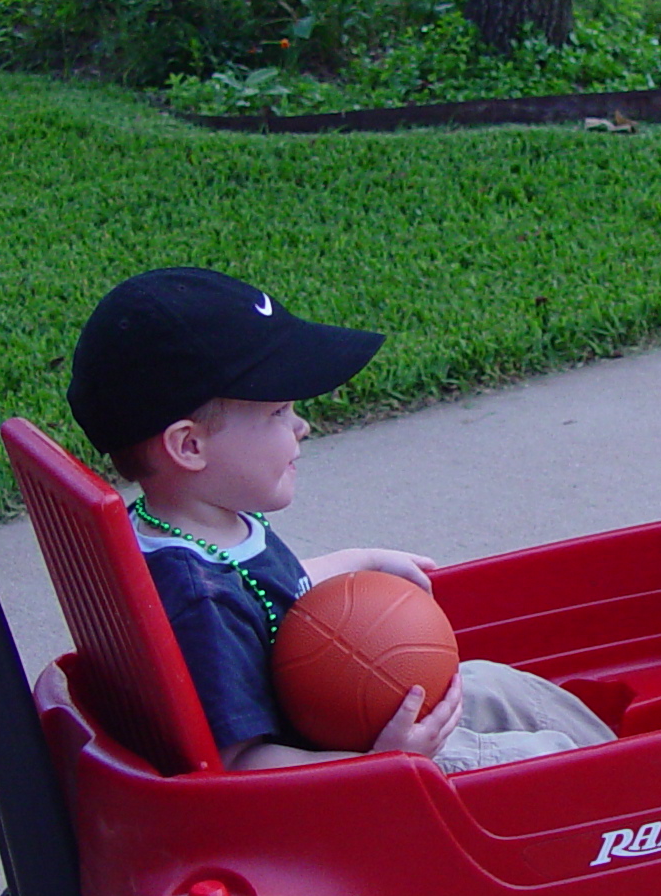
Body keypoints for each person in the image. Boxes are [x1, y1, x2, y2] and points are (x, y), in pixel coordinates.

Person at [67, 266, 614, 773]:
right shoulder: (198, 603)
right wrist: (379, 766)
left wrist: (362, 560)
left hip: (338, 722)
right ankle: (641, 803)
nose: (301, 426)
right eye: (278, 412)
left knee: (496, 687)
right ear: (189, 445)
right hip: (338, 778)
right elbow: (238, 767)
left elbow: (269, 592)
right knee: (542, 757)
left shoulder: (202, 532)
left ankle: (637, 754)